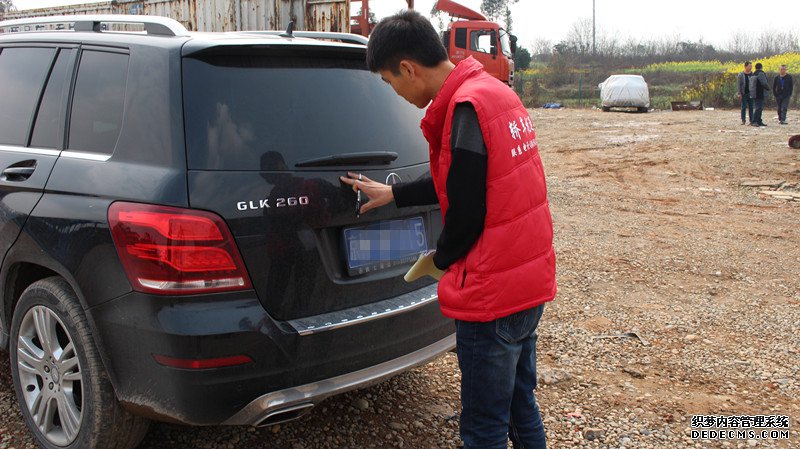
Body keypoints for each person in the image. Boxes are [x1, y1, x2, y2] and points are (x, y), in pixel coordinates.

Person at [340, 10, 556, 449]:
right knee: (520, 407)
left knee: (483, 427)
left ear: (408, 69)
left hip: (492, 295)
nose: (397, 94)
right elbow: (466, 178)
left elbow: (466, 212)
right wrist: (395, 193)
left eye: (391, 83)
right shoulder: (495, 93)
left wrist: (439, 260)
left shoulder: (465, 109)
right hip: (526, 282)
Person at [749, 62, 771, 127]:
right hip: (759, 93)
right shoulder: (760, 73)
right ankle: (754, 121)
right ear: (761, 67)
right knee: (759, 108)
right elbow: (764, 83)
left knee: (758, 107)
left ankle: (759, 121)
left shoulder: (753, 74)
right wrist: (768, 88)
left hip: (754, 93)